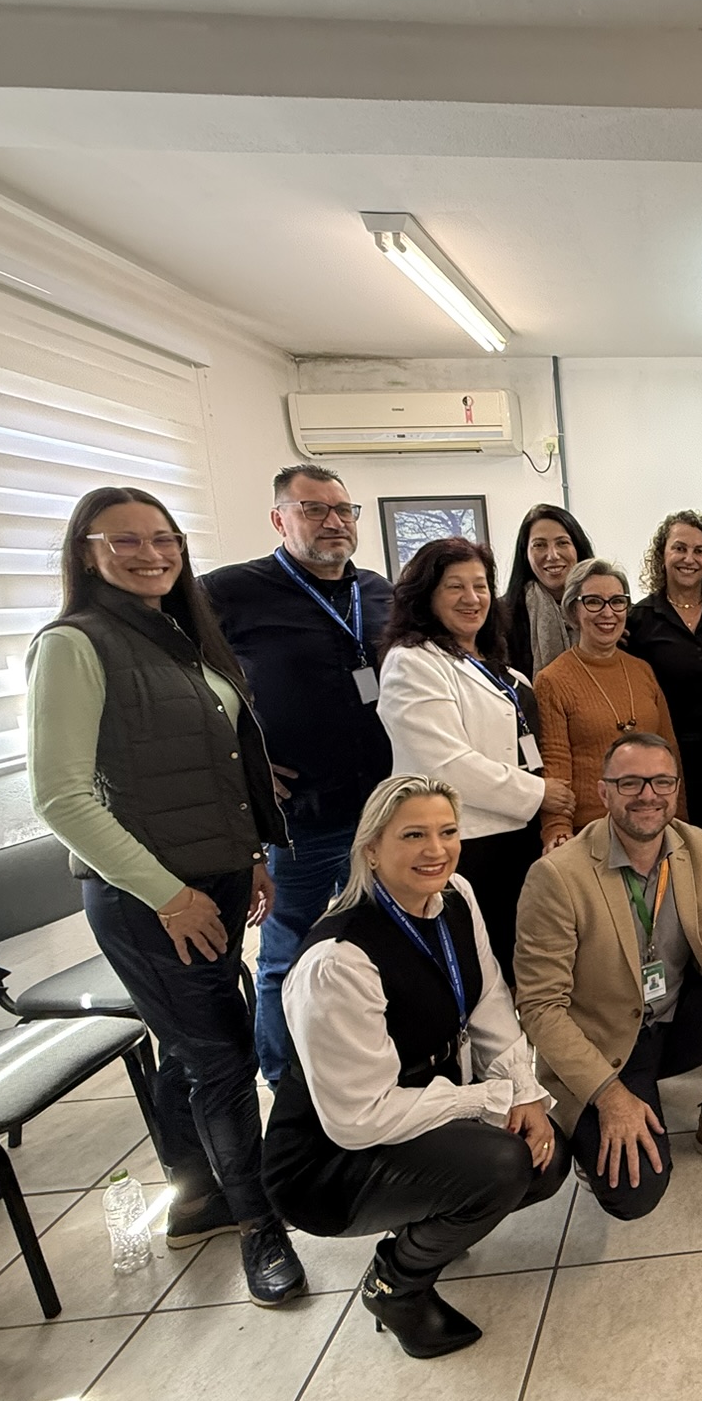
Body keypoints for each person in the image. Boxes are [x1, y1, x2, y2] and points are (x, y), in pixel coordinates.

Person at [28, 486, 304, 1305]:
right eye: (126, 541)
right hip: (148, 896)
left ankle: (195, 1197)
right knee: (221, 1056)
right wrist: (169, 895)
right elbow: (60, 798)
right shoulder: (73, 645)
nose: (151, 555)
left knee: (192, 1048)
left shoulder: (180, 635)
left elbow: (220, 764)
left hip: (213, 874)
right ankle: (259, 1226)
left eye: (164, 539)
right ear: (86, 553)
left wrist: (251, 855)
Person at [262, 776, 567, 1359]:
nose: (437, 850)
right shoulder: (338, 960)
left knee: (546, 1158)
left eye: (448, 832)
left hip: (416, 1107)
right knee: (504, 1164)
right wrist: (488, 1098)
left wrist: (524, 1092)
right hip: (330, 1160)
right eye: (413, 835)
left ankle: (420, 1217)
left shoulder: (456, 896)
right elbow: (359, 1119)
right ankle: (396, 1286)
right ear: (371, 849)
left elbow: (487, 999)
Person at [516, 732, 702, 1218]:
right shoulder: (557, 877)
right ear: (603, 792)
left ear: (676, 788)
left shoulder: (699, 846)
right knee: (634, 1193)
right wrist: (610, 1096)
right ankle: (593, 1129)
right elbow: (540, 1008)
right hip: (606, 1044)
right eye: (630, 783)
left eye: (662, 782)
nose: (648, 795)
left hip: (674, 1016)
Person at [202, 464, 394, 1087]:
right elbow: (178, 686)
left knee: (376, 943)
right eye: (314, 509)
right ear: (279, 518)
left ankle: (370, 1067)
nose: (334, 521)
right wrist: (239, 759)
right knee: (291, 950)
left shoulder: (377, 590)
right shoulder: (229, 592)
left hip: (384, 808)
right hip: (304, 816)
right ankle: (285, 1083)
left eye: (344, 510)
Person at [376, 538, 571, 972]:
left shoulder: (497, 666)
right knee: (474, 966)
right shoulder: (413, 662)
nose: (472, 598)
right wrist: (539, 792)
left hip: (518, 838)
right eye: (455, 587)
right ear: (427, 596)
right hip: (464, 843)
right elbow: (445, 765)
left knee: (521, 961)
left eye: (480, 586)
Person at [534, 559, 684, 850]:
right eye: (593, 602)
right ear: (573, 610)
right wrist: (556, 830)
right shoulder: (552, 680)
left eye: (617, 601)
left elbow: (670, 752)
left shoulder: (642, 671)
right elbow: (555, 766)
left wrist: (679, 822)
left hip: (654, 826)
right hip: (590, 834)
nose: (607, 612)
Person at [627, 511, 702, 847]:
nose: (689, 559)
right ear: (662, 555)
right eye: (679, 548)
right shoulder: (640, 620)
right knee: (678, 850)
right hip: (670, 758)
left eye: (700, 551)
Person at [504, 503, 595, 680]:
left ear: (578, 548)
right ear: (525, 554)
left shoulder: (609, 613)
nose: (552, 555)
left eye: (562, 543)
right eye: (539, 545)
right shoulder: (503, 618)